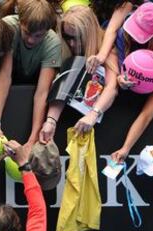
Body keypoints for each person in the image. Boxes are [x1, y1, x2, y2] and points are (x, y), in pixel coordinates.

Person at [0, 0, 62, 157]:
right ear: (20, 21)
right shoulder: (8, 26)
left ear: (47, 31)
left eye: (38, 36)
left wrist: (33, 138)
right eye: (27, 32)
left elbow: (42, 93)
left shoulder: (53, 42)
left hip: (33, 82)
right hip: (9, 78)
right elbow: (5, 75)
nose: (31, 40)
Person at [39, 5, 118, 141]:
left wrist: (93, 114)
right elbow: (63, 83)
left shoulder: (107, 49)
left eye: (76, 37)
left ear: (88, 33)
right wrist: (51, 121)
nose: (71, 43)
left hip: (98, 125)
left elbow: (112, 87)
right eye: (66, 36)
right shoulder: (65, 50)